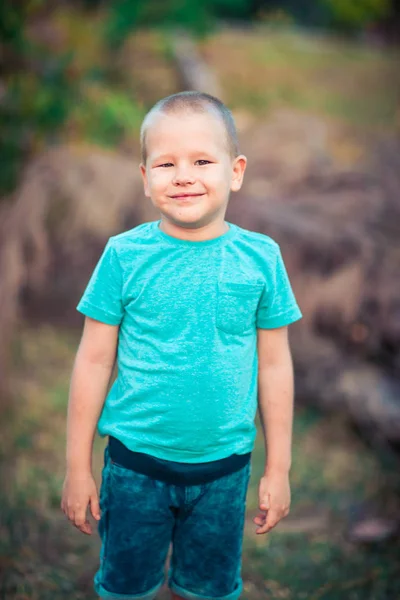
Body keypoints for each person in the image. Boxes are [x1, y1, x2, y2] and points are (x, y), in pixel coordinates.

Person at [61, 91, 303, 600]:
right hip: (134, 470)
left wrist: (278, 469)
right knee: (128, 588)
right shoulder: (124, 256)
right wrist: (76, 467)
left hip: (225, 472)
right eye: (166, 163)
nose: (183, 175)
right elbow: (93, 360)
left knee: (207, 591)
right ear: (145, 177)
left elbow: (276, 366)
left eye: (201, 161)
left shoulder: (261, 259)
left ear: (235, 172)